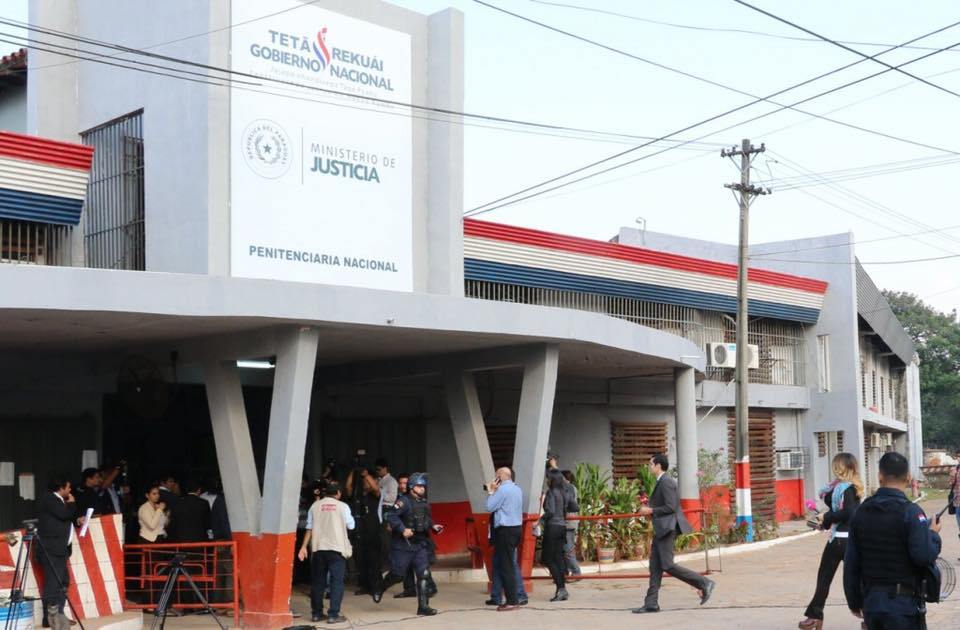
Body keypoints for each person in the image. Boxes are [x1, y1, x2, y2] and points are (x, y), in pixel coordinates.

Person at [843, 452, 942, 629]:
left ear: (880, 477)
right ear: (908, 477)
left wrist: (854, 600)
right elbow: (924, 556)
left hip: (872, 603)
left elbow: (851, 562)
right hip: (903, 606)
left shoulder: (861, 511)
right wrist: (932, 535)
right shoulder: (911, 512)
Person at [635, 453, 715, 614]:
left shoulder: (666, 482)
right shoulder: (661, 482)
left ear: (658, 466)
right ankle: (651, 603)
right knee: (655, 567)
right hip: (662, 529)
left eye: (651, 464)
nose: (649, 466)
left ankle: (704, 582)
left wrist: (650, 509)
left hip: (667, 528)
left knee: (667, 565)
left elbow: (671, 507)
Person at [799, 452, 864, 629]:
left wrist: (826, 517)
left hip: (841, 541)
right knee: (856, 579)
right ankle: (869, 617)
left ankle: (814, 616)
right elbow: (843, 513)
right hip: (847, 539)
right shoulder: (842, 487)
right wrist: (824, 520)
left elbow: (848, 513)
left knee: (826, 579)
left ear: (840, 467)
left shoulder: (846, 488)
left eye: (835, 465)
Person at [375, 473, 443, 616]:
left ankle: (423, 607)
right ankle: (380, 588)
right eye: (419, 486)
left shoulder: (424, 503)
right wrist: (402, 529)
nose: (422, 488)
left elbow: (427, 519)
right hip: (403, 546)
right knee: (398, 575)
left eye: (423, 486)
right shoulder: (403, 501)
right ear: (412, 487)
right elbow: (391, 515)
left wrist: (434, 526)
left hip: (420, 545)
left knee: (423, 574)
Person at [298, 482, 354, 625]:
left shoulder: (315, 506)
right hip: (337, 550)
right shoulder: (343, 506)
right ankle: (333, 615)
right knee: (337, 582)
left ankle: (316, 614)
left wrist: (303, 547)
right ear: (338, 494)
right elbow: (351, 525)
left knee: (317, 583)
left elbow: (309, 528)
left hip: (318, 549)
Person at [36, 476, 80, 630]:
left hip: (60, 550)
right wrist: (72, 503)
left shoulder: (59, 501)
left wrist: (77, 521)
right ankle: (50, 618)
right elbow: (64, 514)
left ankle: (59, 614)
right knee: (53, 583)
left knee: (63, 582)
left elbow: (64, 519)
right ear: (60, 488)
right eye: (68, 487)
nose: (69, 491)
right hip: (51, 549)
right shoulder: (50, 499)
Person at [486, 466, 524, 612]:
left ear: (501, 476)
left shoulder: (502, 490)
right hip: (516, 529)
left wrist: (492, 491)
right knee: (510, 563)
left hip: (505, 530)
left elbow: (489, 506)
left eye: (496, 475)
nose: (495, 477)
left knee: (506, 566)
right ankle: (515, 597)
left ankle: (512, 601)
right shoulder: (517, 489)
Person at [345, 467, 383, 596]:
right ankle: (365, 586)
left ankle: (376, 587)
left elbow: (376, 488)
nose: (365, 483)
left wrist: (366, 475)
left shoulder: (374, 495)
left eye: (367, 481)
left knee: (374, 561)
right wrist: (353, 470)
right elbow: (348, 487)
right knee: (361, 560)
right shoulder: (358, 495)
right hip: (360, 531)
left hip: (373, 531)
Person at [542, 469, 578, 601]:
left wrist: (539, 520)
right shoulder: (566, 492)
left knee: (548, 558)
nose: (546, 480)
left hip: (552, 527)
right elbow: (575, 508)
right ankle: (562, 590)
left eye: (547, 478)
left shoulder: (551, 493)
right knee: (558, 558)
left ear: (551, 479)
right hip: (562, 527)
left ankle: (561, 589)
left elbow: (550, 511)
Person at [560, 470, 582, 579]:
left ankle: (576, 572)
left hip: (568, 523)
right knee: (564, 549)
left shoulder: (569, 488)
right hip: (566, 523)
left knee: (568, 549)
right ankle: (565, 572)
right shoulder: (569, 488)